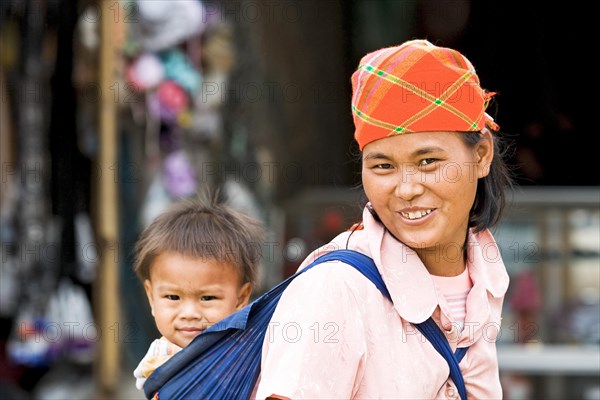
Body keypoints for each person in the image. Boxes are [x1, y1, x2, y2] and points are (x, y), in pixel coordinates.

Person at [254, 39, 513, 399]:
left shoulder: (484, 279)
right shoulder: (336, 287)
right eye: (383, 166)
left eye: (428, 162)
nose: (406, 189)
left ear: (481, 154)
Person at [132, 195, 264, 391]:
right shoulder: (162, 359)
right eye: (173, 297)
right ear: (151, 297)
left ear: (241, 298)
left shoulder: (250, 350)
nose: (189, 313)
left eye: (207, 298)